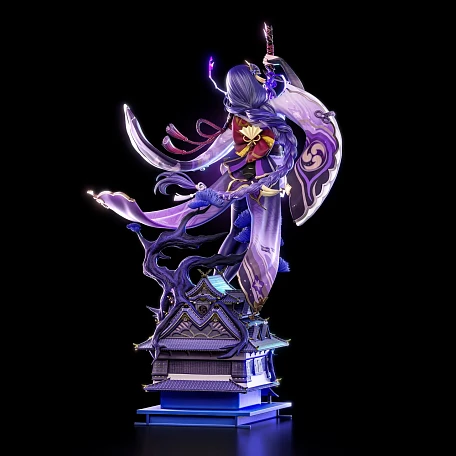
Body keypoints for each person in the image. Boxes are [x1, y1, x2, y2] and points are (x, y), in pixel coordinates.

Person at [89, 54, 342, 313]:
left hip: (251, 179)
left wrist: (280, 65)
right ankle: (224, 295)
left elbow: (299, 97)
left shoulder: (249, 115)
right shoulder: (264, 111)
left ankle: (214, 291)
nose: (261, 78)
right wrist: (281, 66)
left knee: (244, 236)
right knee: (258, 240)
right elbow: (300, 100)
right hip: (259, 182)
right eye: (256, 76)